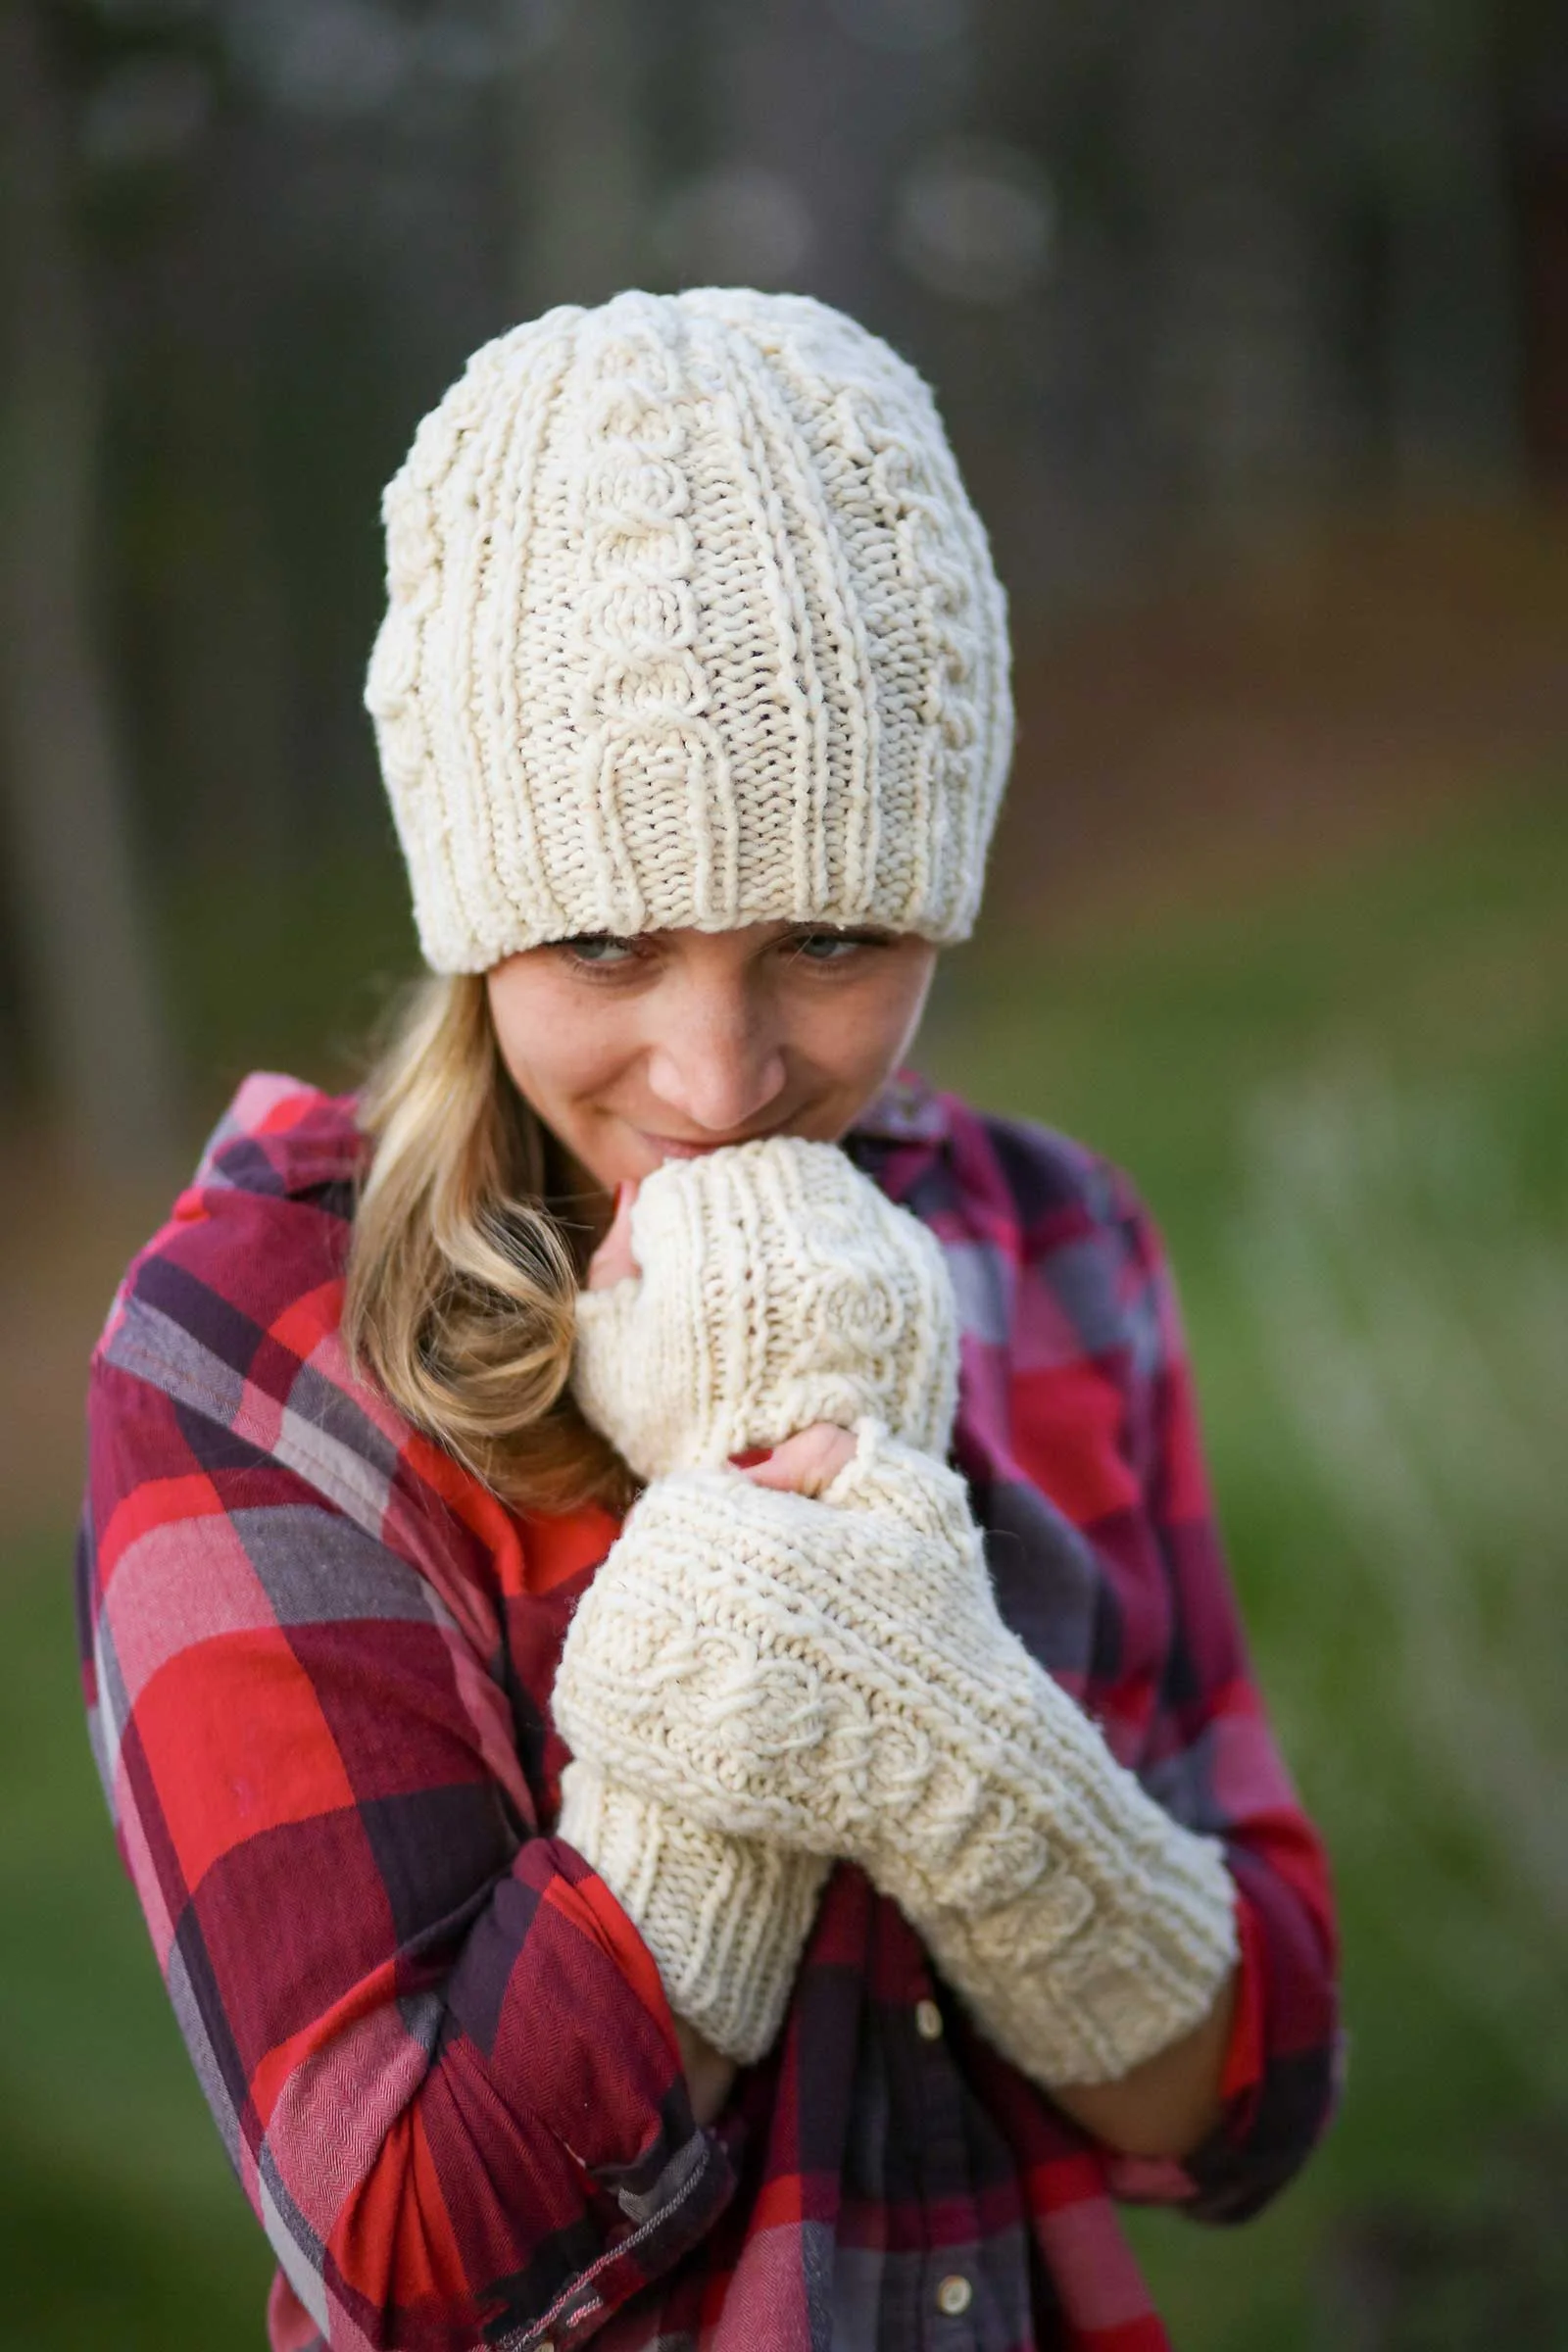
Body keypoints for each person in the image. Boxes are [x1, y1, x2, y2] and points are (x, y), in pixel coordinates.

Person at [78, 288, 1339, 2352]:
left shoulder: (1052, 1245)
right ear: (476, 906)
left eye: (828, 940)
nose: (716, 1070)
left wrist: (968, 1761)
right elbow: (403, 2260)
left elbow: (1248, 2103)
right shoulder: (256, 1351)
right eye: (600, 945)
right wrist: (724, 1703)